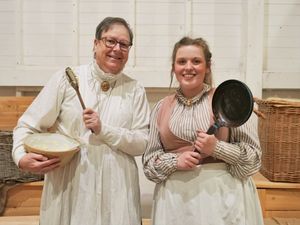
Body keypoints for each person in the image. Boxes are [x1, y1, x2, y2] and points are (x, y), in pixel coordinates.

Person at [12, 17, 150, 225]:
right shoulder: (67, 79)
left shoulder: (134, 89)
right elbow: (28, 124)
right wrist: (20, 157)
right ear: (95, 44)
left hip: (117, 190)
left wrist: (104, 130)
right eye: (110, 41)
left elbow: (142, 142)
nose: (117, 49)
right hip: (69, 187)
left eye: (124, 44)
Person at [142, 36, 264, 225]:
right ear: (173, 68)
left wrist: (217, 148)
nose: (188, 67)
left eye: (196, 61)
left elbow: (253, 160)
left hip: (223, 202)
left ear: (207, 66)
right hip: (175, 205)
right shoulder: (161, 108)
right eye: (182, 61)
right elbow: (149, 164)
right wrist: (176, 161)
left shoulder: (228, 100)